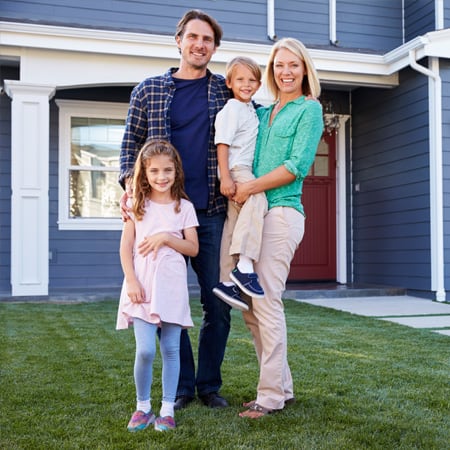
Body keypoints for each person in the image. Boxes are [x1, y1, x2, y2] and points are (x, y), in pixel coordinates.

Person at [119, 10, 232, 410]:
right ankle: (181, 387)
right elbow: (129, 148)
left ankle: (208, 385)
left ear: (214, 48)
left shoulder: (225, 92)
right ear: (179, 40)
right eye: (193, 37)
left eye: (208, 40)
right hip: (162, 212)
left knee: (216, 302)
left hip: (213, 211)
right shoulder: (148, 91)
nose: (200, 44)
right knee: (169, 302)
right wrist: (128, 189)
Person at [233, 38, 324, 419]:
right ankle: (282, 388)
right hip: (255, 215)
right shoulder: (264, 111)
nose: (286, 72)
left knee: (266, 303)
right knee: (252, 309)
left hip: (282, 214)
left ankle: (269, 396)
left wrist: (250, 186)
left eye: (293, 65)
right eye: (279, 65)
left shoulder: (310, 110)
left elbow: (296, 166)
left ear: (305, 70)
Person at [116, 140, 199, 432]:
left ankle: (166, 410)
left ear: (176, 171)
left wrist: (165, 237)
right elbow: (126, 248)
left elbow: (192, 248)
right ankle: (142, 407)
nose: (161, 177)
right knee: (145, 351)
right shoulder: (137, 206)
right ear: (144, 173)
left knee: (171, 350)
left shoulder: (184, 207)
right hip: (142, 287)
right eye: (154, 171)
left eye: (167, 170)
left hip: (172, 287)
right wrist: (132, 281)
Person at [212, 57, 267, 312]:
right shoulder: (233, 108)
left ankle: (226, 281)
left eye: (252, 80)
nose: (246, 84)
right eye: (240, 79)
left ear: (258, 84)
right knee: (258, 198)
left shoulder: (250, 109)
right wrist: (226, 176)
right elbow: (222, 143)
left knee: (233, 224)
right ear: (229, 83)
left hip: (240, 170)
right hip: (237, 170)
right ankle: (245, 265)